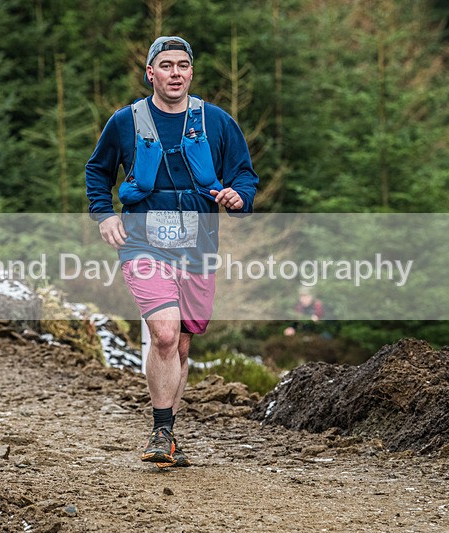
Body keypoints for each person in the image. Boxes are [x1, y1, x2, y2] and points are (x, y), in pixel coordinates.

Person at [85, 36, 259, 467]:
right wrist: (104, 214)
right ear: (151, 73)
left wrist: (239, 197)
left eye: (183, 65)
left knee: (181, 345)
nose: (175, 73)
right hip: (143, 241)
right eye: (166, 65)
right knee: (164, 333)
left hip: (199, 244)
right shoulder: (125, 122)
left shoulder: (216, 122)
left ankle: (169, 435)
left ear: (191, 73)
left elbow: (244, 173)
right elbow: (97, 170)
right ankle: (160, 430)